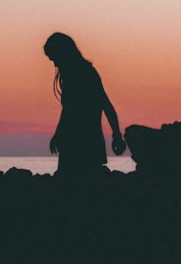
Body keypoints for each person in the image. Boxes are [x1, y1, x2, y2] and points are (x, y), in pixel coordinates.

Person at [43, 32, 125, 175]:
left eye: (54, 58)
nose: (55, 64)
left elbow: (103, 105)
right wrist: (58, 132)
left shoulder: (84, 73)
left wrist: (117, 136)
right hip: (80, 142)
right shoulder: (81, 72)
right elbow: (69, 109)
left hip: (82, 143)